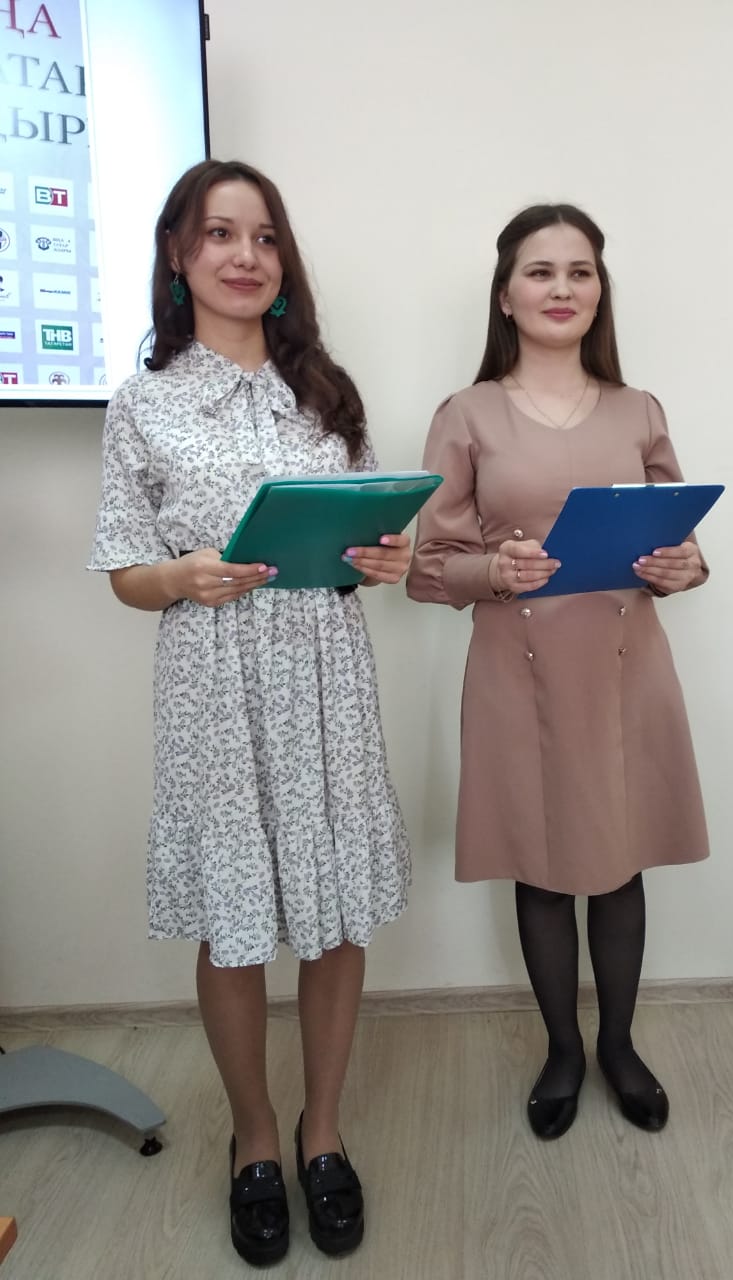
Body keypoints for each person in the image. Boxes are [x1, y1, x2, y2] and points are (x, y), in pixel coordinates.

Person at [89, 159, 411, 1265]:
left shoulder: (326, 392)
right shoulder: (143, 403)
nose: (246, 256)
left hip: (328, 676)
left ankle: (324, 1131)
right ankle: (257, 1138)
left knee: (335, 908)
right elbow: (125, 571)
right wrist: (180, 576)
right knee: (233, 916)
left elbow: (371, 531)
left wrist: (384, 557)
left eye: (265, 237)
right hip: (214, 687)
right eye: (220, 234)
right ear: (179, 255)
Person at [406, 204, 709, 1141]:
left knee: (618, 865)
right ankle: (563, 1052)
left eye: (581, 272)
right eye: (541, 272)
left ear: (599, 292)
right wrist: (492, 571)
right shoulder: (467, 414)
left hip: (624, 666)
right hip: (519, 668)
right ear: (505, 295)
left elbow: (679, 538)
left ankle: (619, 1046)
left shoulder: (638, 409)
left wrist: (685, 565)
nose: (563, 288)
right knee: (539, 867)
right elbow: (426, 567)